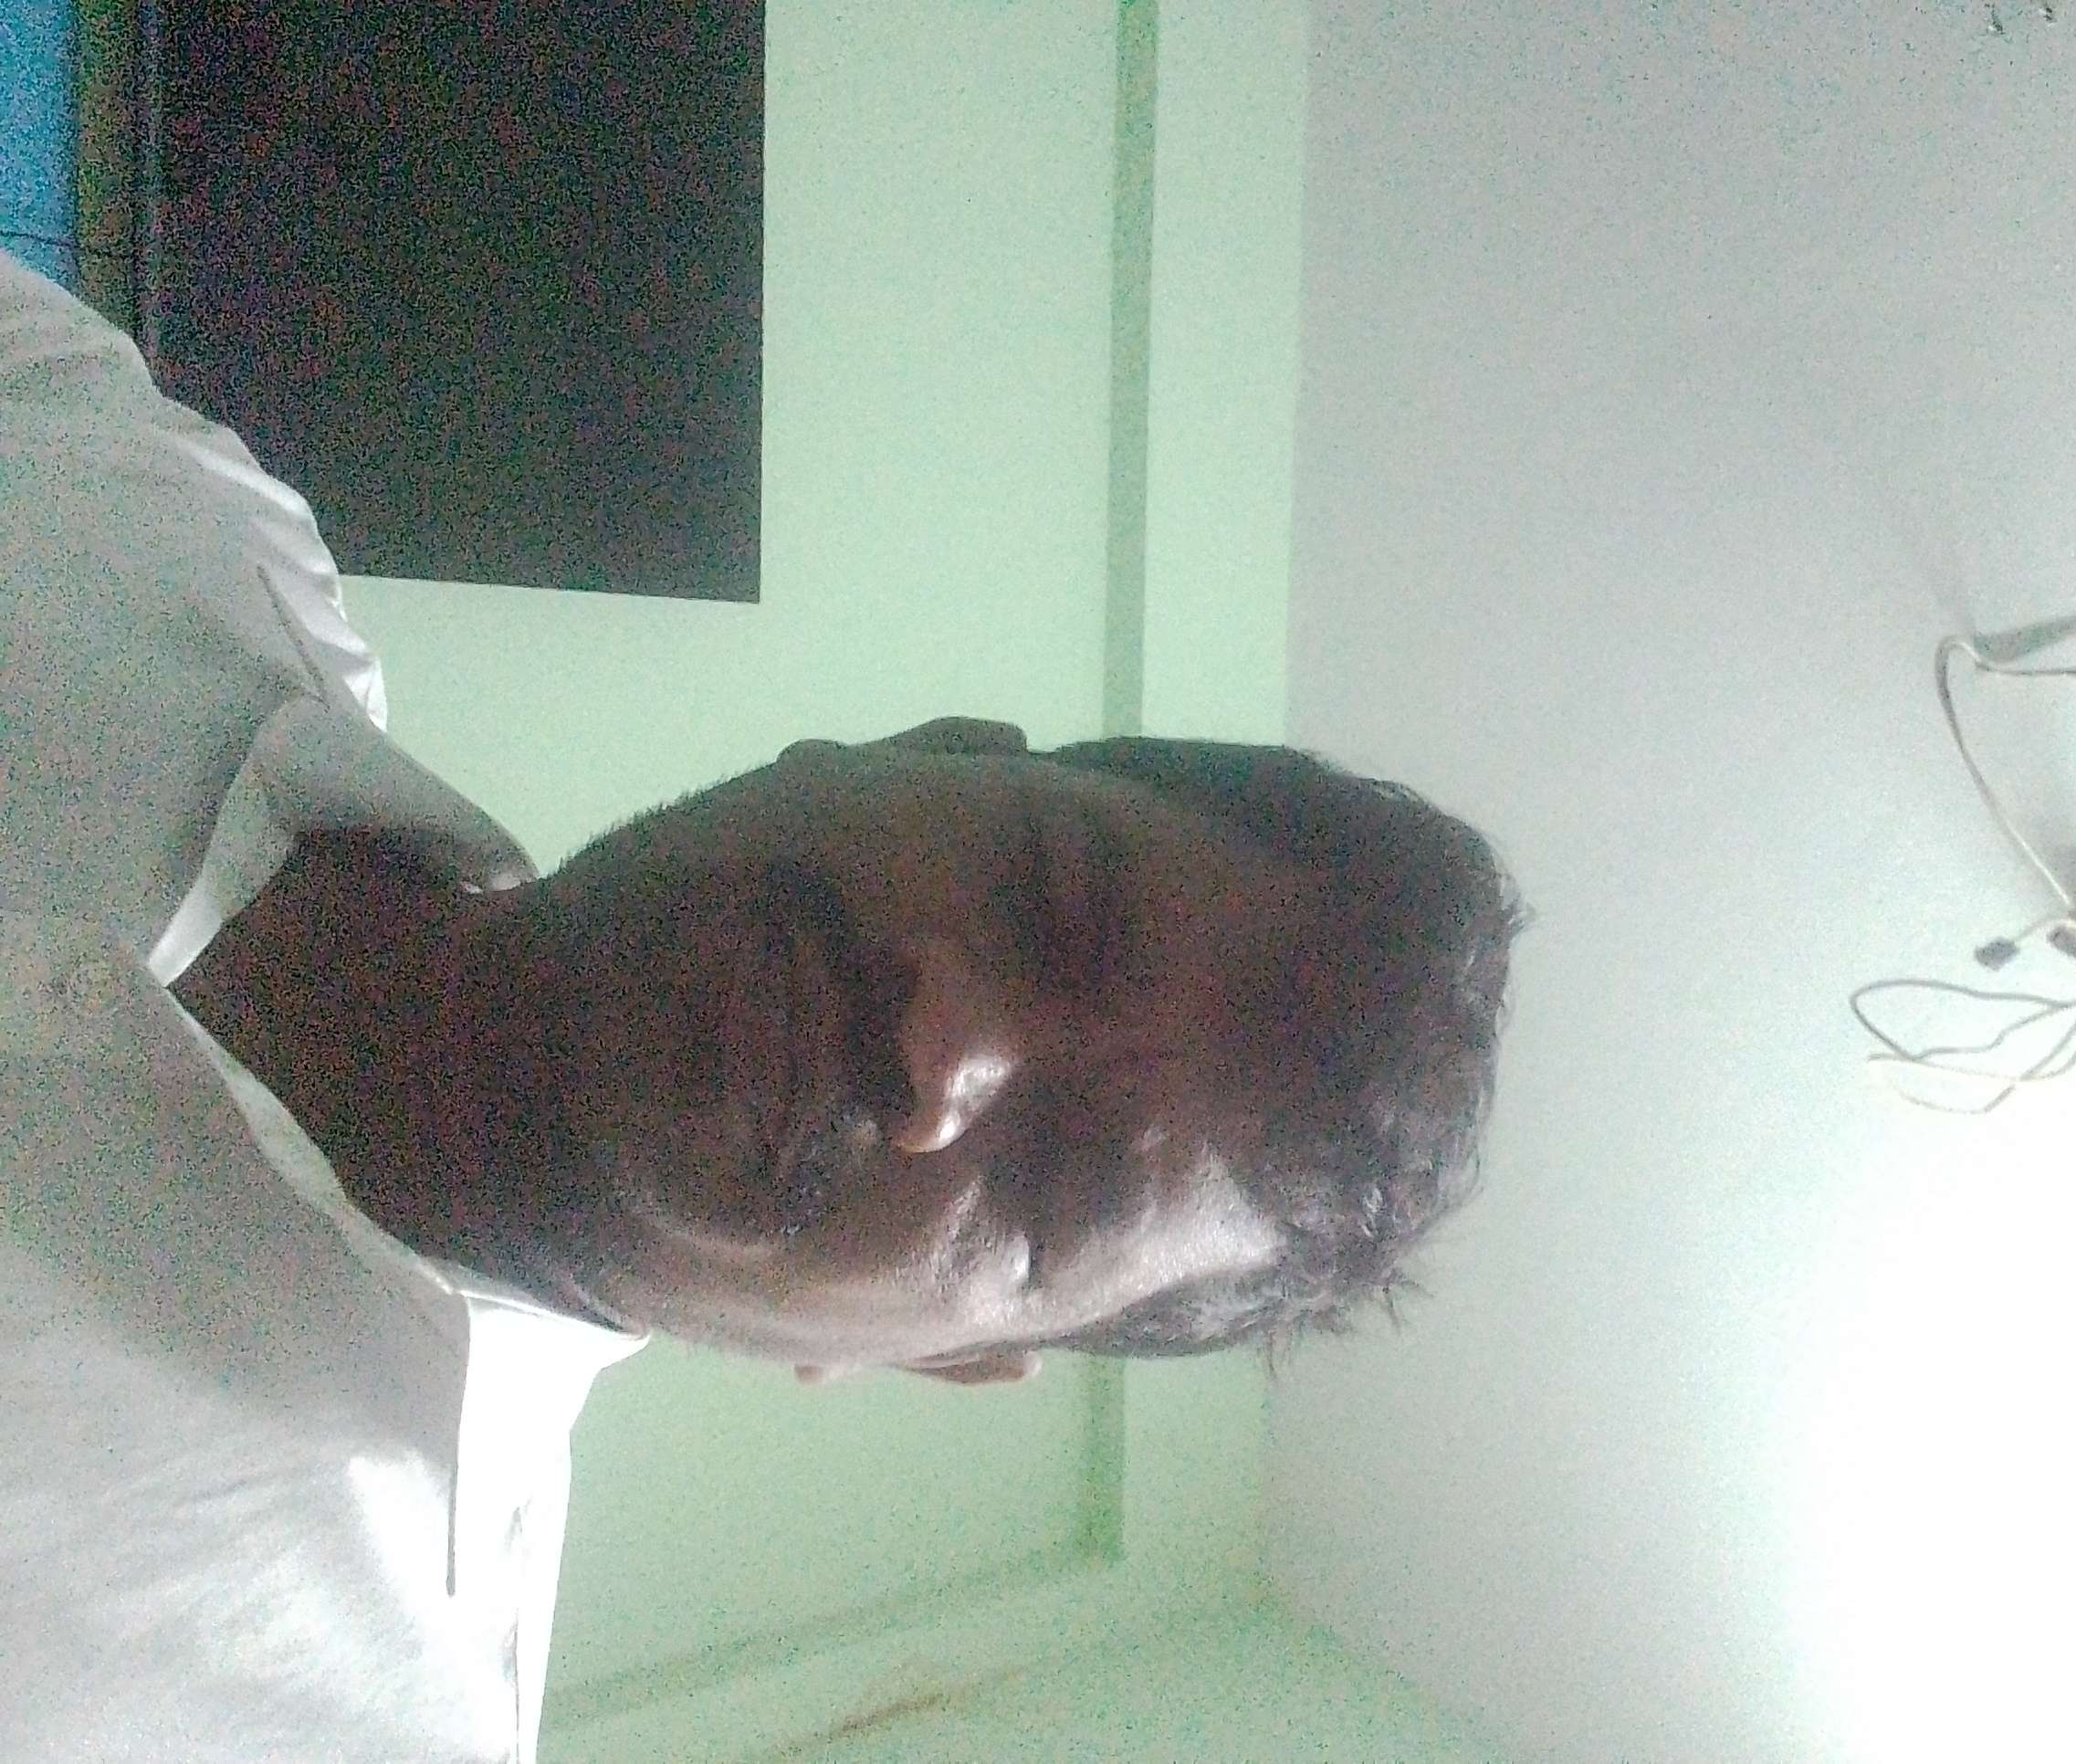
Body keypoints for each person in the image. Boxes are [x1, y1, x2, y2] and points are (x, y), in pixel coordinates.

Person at [0, 254, 1518, 1759]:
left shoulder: (320, 1725)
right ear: (922, 743)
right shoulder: (132, 498)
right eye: (1045, 901)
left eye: (1055, 1180)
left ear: (944, 1358)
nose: (943, 1049)